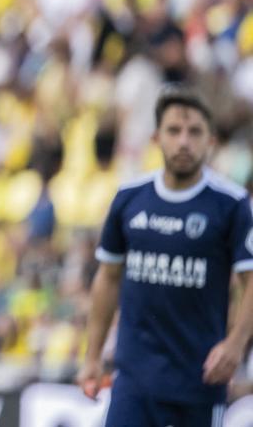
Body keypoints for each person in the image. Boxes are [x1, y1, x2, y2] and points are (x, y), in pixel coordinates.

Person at [78, 85, 253, 427]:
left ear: (211, 141)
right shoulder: (129, 199)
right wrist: (93, 356)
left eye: (194, 132)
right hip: (133, 381)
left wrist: (236, 344)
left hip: (199, 381)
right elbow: (108, 277)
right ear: (157, 138)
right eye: (174, 131)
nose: (184, 141)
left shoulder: (230, 205)